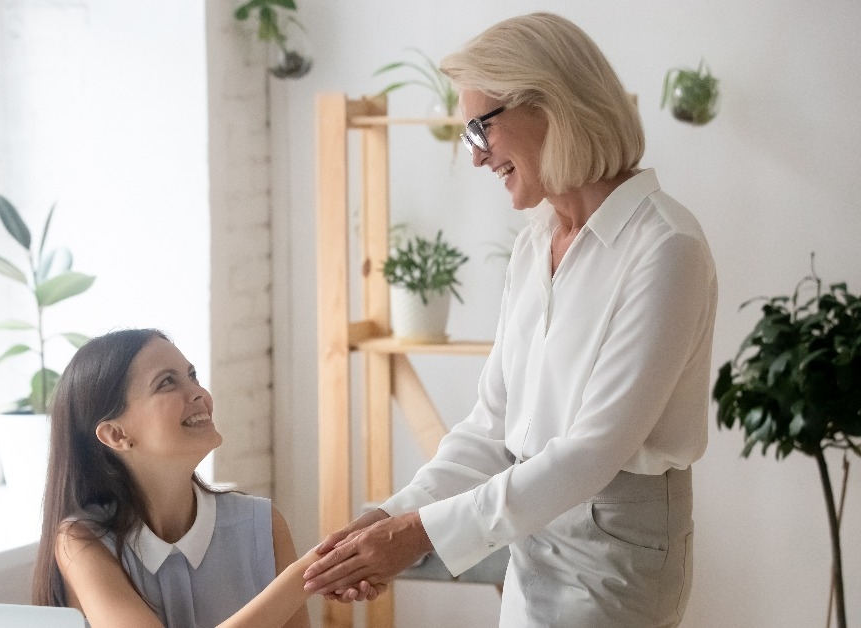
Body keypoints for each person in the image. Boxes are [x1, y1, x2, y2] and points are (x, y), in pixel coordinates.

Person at [303, 12, 718, 627]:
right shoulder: (536, 244)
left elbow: (591, 451)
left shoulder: (666, 248)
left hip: (614, 548)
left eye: (478, 130)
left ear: (550, 104)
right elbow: (492, 426)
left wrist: (414, 536)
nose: (475, 158)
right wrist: (390, 517)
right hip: (531, 528)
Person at [31, 328, 315, 628]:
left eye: (192, 376)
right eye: (167, 383)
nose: (200, 394)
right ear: (116, 435)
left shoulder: (262, 524)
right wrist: (304, 578)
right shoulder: (82, 542)